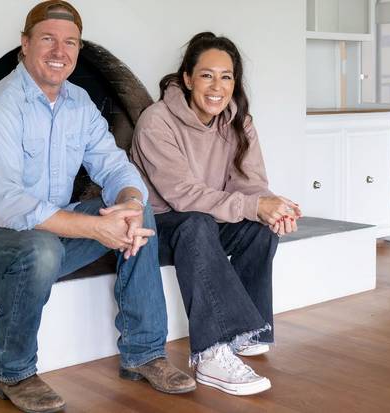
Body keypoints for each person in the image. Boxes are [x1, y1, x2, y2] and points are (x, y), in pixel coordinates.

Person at [0, 2, 195, 411]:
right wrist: (95, 228)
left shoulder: (79, 104)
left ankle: (144, 353)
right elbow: (9, 207)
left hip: (46, 241)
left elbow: (116, 167)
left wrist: (127, 202)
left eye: (70, 42)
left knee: (136, 210)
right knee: (40, 247)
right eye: (48, 39)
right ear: (25, 44)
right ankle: (13, 371)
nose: (60, 51)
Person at [130, 32, 302, 396]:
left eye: (226, 76)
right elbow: (182, 197)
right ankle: (211, 352)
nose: (217, 86)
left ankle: (246, 332)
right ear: (188, 78)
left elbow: (252, 185)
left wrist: (273, 209)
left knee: (260, 229)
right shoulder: (156, 122)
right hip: (160, 226)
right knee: (196, 223)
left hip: (208, 219)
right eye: (207, 75)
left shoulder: (239, 121)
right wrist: (255, 206)